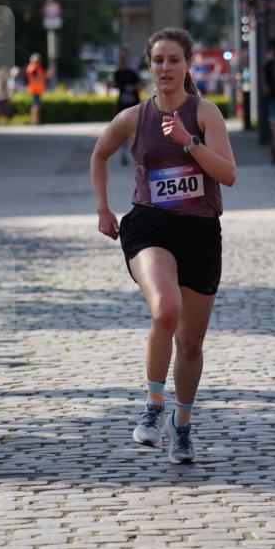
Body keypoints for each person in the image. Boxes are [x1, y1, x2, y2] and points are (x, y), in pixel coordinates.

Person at [90, 27, 236, 465]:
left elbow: (228, 175)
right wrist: (103, 208)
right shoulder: (133, 117)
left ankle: (182, 424)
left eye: (174, 60)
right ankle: (154, 407)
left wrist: (188, 142)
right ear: (149, 67)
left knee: (191, 344)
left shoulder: (205, 113)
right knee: (165, 310)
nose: (166, 68)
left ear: (188, 64)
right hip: (149, 225)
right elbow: (99, 154)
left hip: (200, 231)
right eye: (158, 61)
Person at [110, 48, 143, 165]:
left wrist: (132, 88)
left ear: (127, 57)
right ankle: (124, 154)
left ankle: (138, 155)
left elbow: (141, 84)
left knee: (137, 131)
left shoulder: (132, 72)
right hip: (122, 106)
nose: (122, 59)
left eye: (124, 57)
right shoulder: (117, 72)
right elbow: (114, 85)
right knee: (123, 132)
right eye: (121, 57)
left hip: (134, 105)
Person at [26, 52, 46, 125]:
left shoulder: (37, 67)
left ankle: (35, 121)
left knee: (36, 105)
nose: (39, 61)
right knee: (36, 105)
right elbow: (35, 77)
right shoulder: (33, 67)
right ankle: (35, 121)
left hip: (37, 90)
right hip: (35, 90)